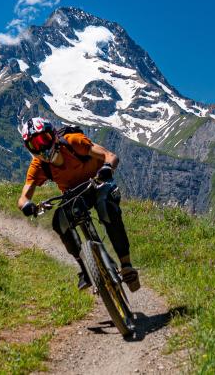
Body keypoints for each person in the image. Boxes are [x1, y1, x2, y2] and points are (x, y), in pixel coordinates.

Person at [16, 117, 140, 292]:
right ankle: (85, 268)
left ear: (53, 136)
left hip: (98, 182)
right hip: (74, 194)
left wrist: (107, 168)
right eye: (34, 144)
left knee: (106, 207)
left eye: (43, 140)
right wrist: (27, 205)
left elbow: (110, 156)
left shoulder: (74, 142)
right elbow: (23, 197)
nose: (41, 147)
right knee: (60, 222)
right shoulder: (38, 165)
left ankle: (126, 265)